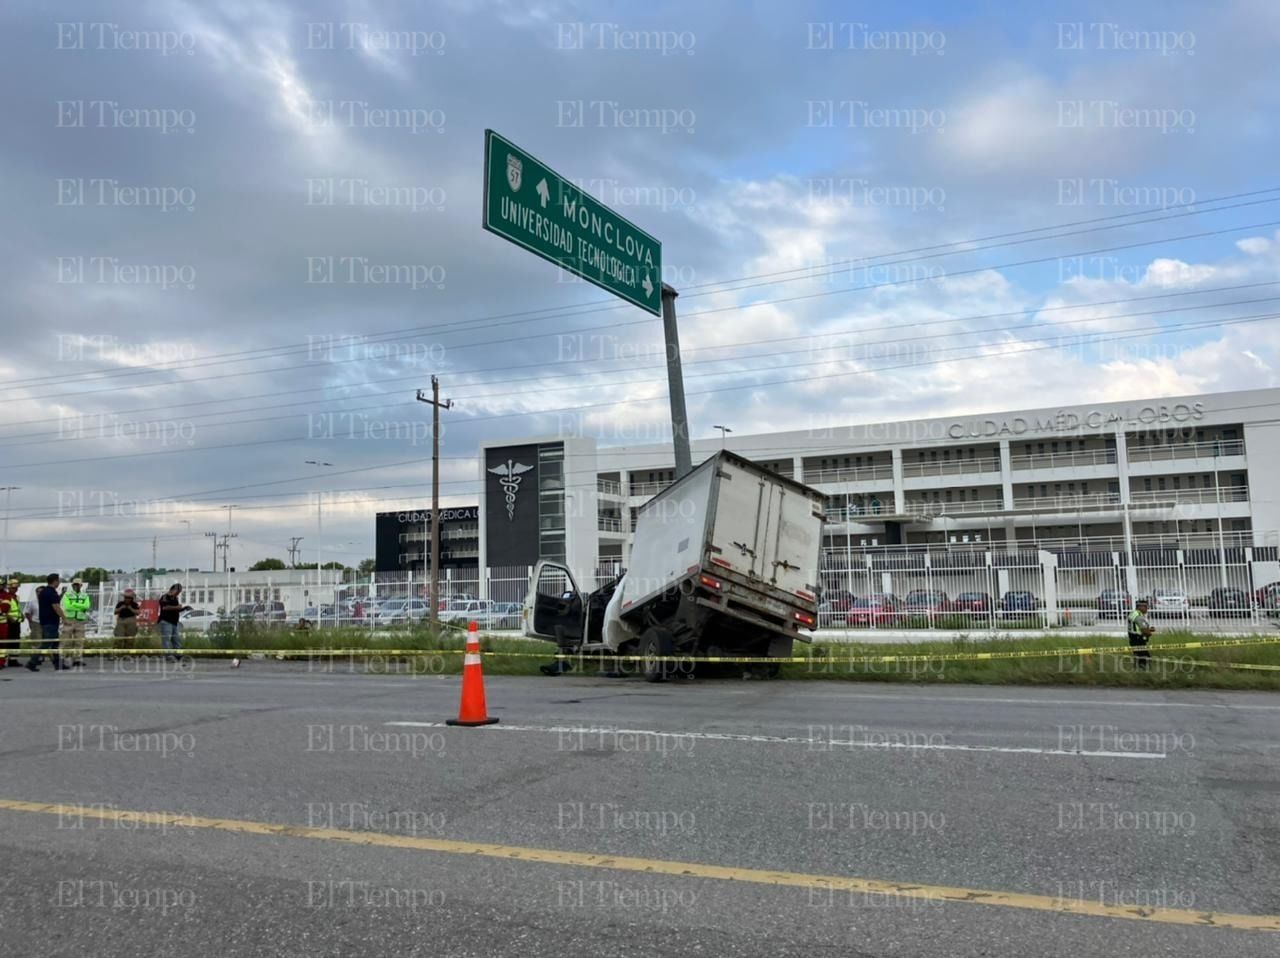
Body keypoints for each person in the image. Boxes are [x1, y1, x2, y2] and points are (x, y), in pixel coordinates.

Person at [29, 573, 68, 672]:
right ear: (55, 581)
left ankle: (58, 664)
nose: (59, 583)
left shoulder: (43, 592)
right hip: (51, 622)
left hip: (45, 621)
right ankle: (32, 662)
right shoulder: (52, 593)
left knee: (55, 644)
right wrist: (64, 618)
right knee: (46, 644)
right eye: (58, 581)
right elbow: (56, 606)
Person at [61, 577, 91, 668]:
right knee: (66, 640)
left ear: (81, 585)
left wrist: (74, 604)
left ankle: (77, 659)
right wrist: (80, 606)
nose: (76, 586)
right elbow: (68, 607)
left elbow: (87, 606)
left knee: (79, 641)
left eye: (78, 585)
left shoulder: (85, 595)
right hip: (69, 619)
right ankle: (64, 658)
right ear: (72, 585)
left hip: (80, 620)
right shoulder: (67, 595)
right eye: (74, 585)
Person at [158, 583, 192, 661]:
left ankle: (178, 654)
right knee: (166, 639)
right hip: (166, 621)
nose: (178, 593)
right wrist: (177, 607)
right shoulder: (165, 597)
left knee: (176, 639)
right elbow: (165, 607)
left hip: (174, 622)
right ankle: (168, 655)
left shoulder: (175, 599)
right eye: (178, 591)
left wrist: (184, 608)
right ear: (173, 590)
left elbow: (176, 609)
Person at [1127, 597, 1155, 670]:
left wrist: (1148, 629)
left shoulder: (1133, 613)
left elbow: (1136, 627)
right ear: (1140, 607)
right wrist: (1149, 633)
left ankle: (1137, 670)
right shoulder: (1138, 616)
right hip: (1138, 640)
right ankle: (1142, 672)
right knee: (1144, 658)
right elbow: (1144, 631)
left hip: (1133, 638)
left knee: (1138, 656)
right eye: (1145, 607)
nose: (1147, 609)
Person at [0, 577, 22, 667]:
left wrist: (22, 616)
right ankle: (5, 660)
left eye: (16, 588)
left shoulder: (16, 597)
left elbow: (16, 609)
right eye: (13, 588)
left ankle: (13, 660)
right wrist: (10, 618)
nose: (15, 589)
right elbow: (5, 610)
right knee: (7, 642)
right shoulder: (7, 596)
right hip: (8, 622)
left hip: (16, 622)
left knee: (15, 642)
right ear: (9, 587)